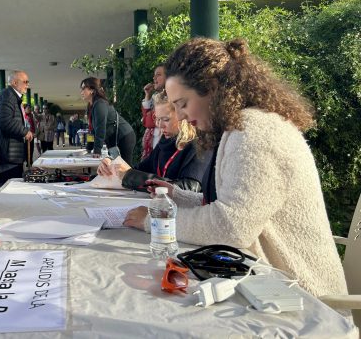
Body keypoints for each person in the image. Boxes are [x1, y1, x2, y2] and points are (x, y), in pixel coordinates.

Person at [124, 37, 347, 298]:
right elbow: (235, 207)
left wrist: (154, 221)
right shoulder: (239, 127)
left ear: (211, 88)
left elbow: (231, 227)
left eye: (182, 104)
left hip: (304, 303)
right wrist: (177, 195)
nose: (181, 115)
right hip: (270, 288)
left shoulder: (255, 132)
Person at [98, 91, 209, 192]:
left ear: (183, 116)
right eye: (158, 119)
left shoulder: (200, 145)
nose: (160, 125)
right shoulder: (165, 142)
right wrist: (112, 166)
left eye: (166, 119)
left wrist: (129, 175)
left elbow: (189, 188)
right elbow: (138, 170)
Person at [0, 70, 33, 188]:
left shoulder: (11, 96)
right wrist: (25, 131)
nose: (27, 85)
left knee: (11, 184)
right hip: (9, 152)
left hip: (12, 152)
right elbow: (4, 121)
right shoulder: (8, 96)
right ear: (14, 82)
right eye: (25, 82)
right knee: (8, 185)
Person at [80, 77, 136, 165]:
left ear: (92, 90)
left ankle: (131, 178)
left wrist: (97, 151)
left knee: (125, 167)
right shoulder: (91, 106)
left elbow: (100, 128)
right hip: (114, 139)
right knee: (116, 168)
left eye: (83, 88)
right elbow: (92, 130)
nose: (81, 92)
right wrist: (89, 148)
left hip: (124, 136)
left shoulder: (100, 104)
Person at [141, 64, 166, 160]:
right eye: (154, 75)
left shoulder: (168, 98)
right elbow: (146, 119)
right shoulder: (157, 96)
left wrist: (148, 117)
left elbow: (148, 122)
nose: (154, 78)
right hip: (155, 142)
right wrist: (147, 95)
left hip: (161, 141)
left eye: (158, 75)